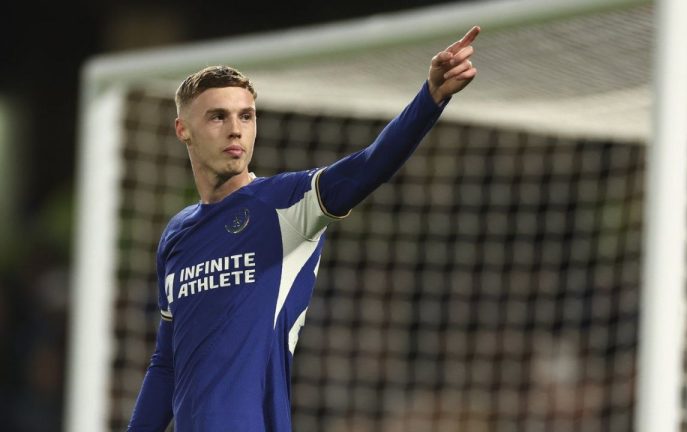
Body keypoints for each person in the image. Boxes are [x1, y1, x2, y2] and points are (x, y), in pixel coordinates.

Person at [127, 25, 481, 432]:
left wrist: (431, 98)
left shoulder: (285, 204)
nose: (236, 129)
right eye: (217, 117)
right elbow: (166, 363)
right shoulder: (177, 234)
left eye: (246, 116)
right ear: (182, 129)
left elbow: (369, 167)